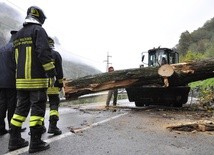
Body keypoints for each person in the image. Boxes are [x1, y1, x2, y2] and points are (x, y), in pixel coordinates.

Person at [8, 6, 56, 153]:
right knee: (37, 109)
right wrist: (51, 72)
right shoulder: (38, 31)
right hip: (36, 80)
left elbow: (14, 58)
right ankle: (35, 143)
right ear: (40, 18)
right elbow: (43, 52)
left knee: (20, 110)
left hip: (21, 81)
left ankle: (14, 140)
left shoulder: (18, 34)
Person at [0, 31, 18, 136]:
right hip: (11, 81)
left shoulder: (2, 48)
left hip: (1, 82)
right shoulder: (14, 48)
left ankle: (1, 128)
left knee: (2, 105)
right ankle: (13, 127)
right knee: (12, 105)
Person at [47, 37, 64, 135]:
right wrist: (60, 83)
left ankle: (37, 128)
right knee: (54, 103)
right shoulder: (56, 55)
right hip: (52, 84)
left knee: (38, 105)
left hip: (39, 84)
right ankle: (52, 126)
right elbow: (59, 72)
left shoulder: (38, 53)